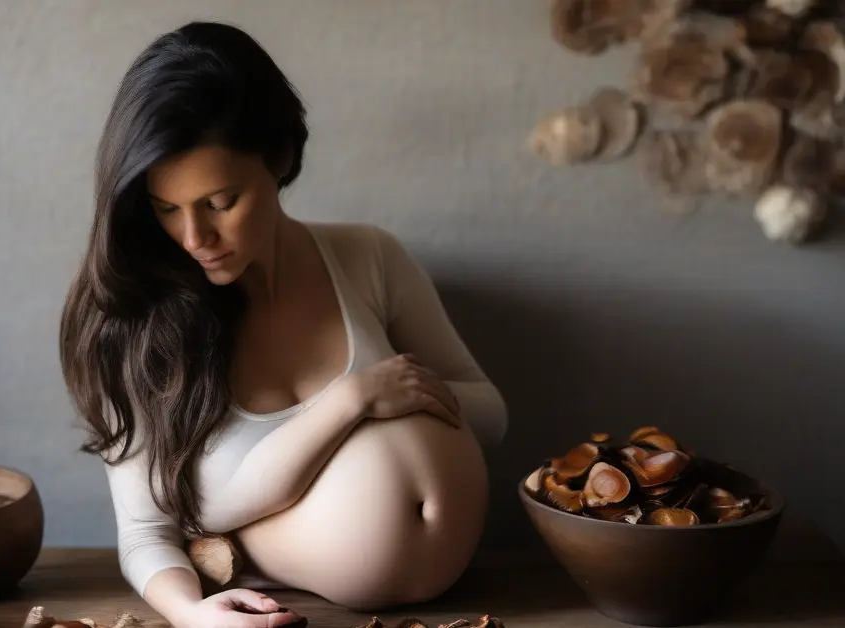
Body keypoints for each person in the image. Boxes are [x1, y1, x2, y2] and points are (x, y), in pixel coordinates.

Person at [59, 20, 508, 628]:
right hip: (290, 616)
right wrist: (195, 616)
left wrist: (397, 396)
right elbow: (144, 531)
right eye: (168, 210)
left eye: (221, 203)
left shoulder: (368, 257)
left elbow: (490, 414)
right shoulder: (136, 322)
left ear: (279, 160)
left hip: (477, 609)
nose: (195, 238)